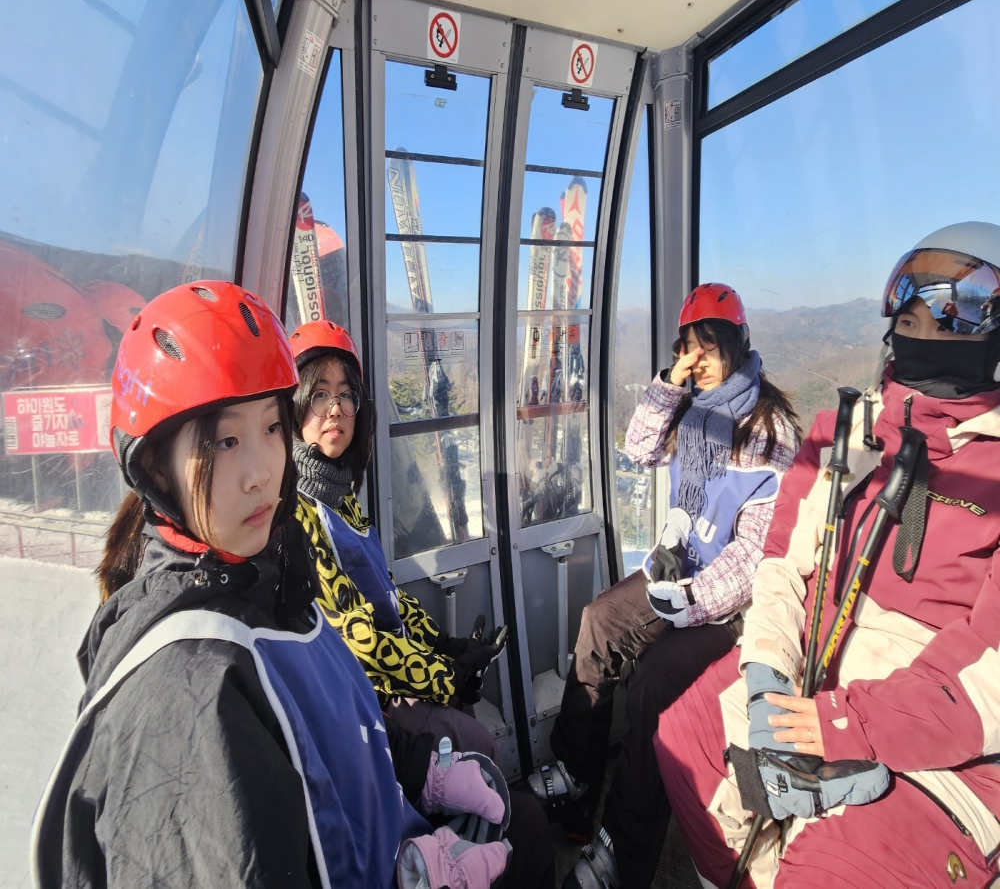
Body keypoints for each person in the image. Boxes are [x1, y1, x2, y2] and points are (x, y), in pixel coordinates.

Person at [32, 282, 511, 889]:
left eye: (270, 429)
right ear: (155, 467)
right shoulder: (188, 700)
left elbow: (319, 707)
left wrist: (414, 765)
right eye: (225, 440)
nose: (261, 473)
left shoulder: (269, 574)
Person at [654, 222, 1000, 889]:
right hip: (812, 656)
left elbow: (988, 678)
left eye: (954, 317)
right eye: (913, 312)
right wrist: (766, 679)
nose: (926, 331)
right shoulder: (846, 436)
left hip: (939, 726)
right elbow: (783, 566)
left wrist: (843, 725)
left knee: (831, 870)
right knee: (681, 742)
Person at [534, 283, 801, 888]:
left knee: (654, 685)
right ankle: (577, 775)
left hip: (728, 605)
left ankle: (622, 852)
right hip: (677, 571)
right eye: (689, 346)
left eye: (710, 347)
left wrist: (695, 601)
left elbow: (755, 554)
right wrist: (669, 381)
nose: (698, 359)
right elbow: (639, 447)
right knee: (599, 622)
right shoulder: (691, 406)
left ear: (738, 346)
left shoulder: (769, 433)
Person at [288, 319, 555, 889]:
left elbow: (384, 597)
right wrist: (442, 677)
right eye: (318, 394)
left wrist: (444, 643)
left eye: (345, 395)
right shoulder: (300, 513)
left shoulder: (341, 498)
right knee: (478, 742)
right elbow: (354, 634)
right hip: (364, 701)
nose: (334, 409)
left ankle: (477, 847)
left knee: (475, 739)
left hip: (387, 685)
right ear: (292, 408)